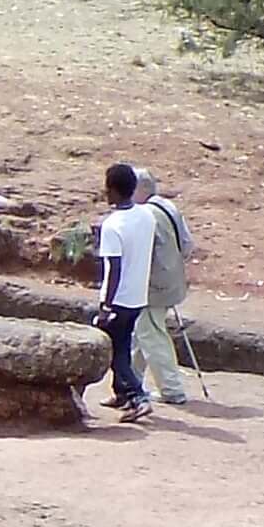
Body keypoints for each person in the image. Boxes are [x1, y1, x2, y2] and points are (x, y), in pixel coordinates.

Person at [94, 163, 162, 423]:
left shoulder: (113, 226)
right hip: (138, 296)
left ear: (112, 190)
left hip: (119, 299)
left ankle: (137, 396)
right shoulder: (146, 216)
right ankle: (121, 393)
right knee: (120, 344)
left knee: (116, 351)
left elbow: (113, 270)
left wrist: (105, 305)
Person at [136, 172, 194, 405]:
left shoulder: (144, 215)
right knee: (140, 334)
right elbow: (188, 246)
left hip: (153, 286)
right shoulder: (167, 206)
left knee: (151, 335)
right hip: (172, 280)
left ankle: (172, 390)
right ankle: (130, 385)